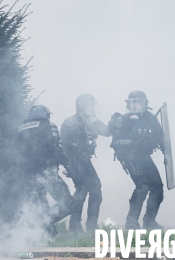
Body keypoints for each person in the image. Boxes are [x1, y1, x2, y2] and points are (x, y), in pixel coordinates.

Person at [108, 90, 165, 230]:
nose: (135, 106)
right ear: (128, 104)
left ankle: (149, 221)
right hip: (131, 158)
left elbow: (160, 136)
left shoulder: (151, 118)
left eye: (138, 102)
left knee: (157, 186)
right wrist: (132, 144)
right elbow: (116, 142)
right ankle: (131, 222)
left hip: (144, 157)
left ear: (145, 103)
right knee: (142, 187)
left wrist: (164, 150)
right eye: (132, 102)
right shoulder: (123, 120)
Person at [17, 104, 73, 236]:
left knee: (40, 208)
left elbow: (16, 155)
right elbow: (56, 150)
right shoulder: (48, 126)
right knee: (68, 203)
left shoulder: (20, 129)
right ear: (46, 115)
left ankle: (49, 239)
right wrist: (68, 165)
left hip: (27, 177)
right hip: (47, 174)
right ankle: (43, 224)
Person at [60, 93, 111, 232]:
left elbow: (107, 131)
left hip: (85, 160)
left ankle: (91, 226)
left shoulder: (92, 120)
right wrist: (68, 164)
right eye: (90, 106)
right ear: (82, 107)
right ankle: (75, 226)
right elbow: (63, 145)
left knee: (96, 189)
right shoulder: (70, 122)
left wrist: (115, 122)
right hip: (75, 160)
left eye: (93, 105)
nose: (93, 108)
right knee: (81, 189)